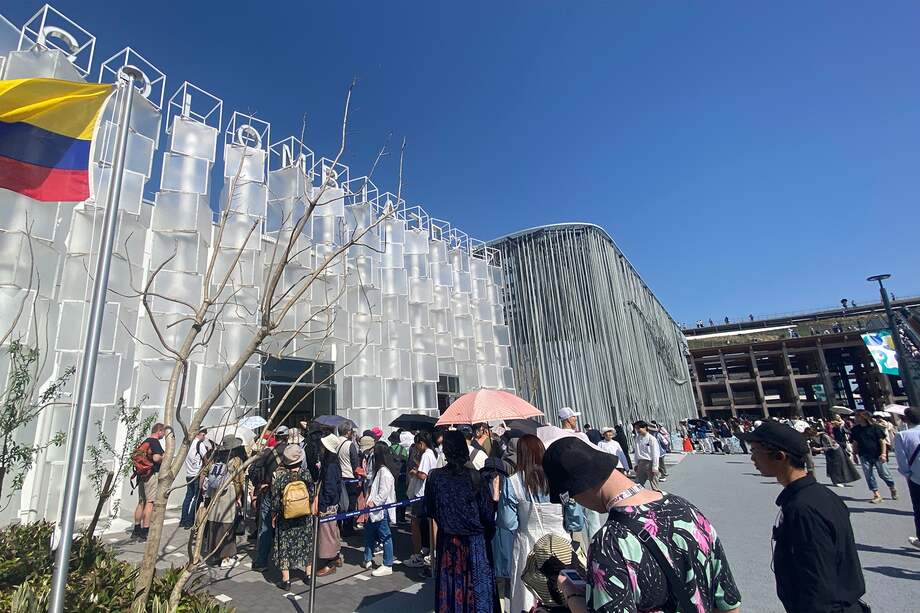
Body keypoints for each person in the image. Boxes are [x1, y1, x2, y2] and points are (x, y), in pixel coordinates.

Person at [544, 436, 741, 613]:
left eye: (570, 496)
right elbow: (728, 602)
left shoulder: (610, 541)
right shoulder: (686, 509)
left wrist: (572, 595)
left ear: (578, 486)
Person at [742, 421, 868, 612]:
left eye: (756, 451)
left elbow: (816, 578)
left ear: (779, 456)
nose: (752, 458)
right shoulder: (822, 496)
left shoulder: (802, 509)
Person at [425, 430, 496, 613]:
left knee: (450, 587)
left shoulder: (434, 477)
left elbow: (431, 510)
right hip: (475, 540)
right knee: (477, 589)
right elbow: (487, 513)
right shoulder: (475, 477)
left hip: (449, 540)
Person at [497, 435, 565, 613]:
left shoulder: (513, 482)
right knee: (562, 591)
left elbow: (508, 522)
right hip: (561, 542)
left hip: (528, 541)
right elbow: (576, 520)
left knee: (527, 595)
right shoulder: (558, 478)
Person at [270, 444, 315, 590]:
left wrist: (275, 513)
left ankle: (286, 580)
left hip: (286, 518)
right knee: (306, 543)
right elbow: (312, 494)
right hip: (304, 516)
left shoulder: (281, 478)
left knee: (284, 546)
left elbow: (275, 501)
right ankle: (308, 575)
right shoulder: (306, 474)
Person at [203, 435, 245, 568]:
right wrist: (239, 496)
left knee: (214, 523)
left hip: (215, 493)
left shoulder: (214, 458)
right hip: (229, 493)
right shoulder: (236, 460)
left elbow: (205, 473)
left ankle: (213, 554)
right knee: (227, 524)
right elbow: (239, 480)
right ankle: (226, 557)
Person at [251, 425, 289, 570]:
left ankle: (261, 561)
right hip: (288, 493)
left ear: (275, 437)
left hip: (269, 491)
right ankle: (287, 563)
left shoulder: (268, 452)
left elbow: (252, 469)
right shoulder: (294, 451)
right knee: (288, 526)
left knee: (265, 526)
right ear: (287, 437)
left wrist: (258, 485)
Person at [363, 442, 397, 576]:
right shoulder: (380, 471)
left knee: (385, 536)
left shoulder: (385, 472)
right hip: (376, 509)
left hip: (381, 509)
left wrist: (374, 502)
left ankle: (388, 563)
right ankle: (368, 558)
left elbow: (383, 493)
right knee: (369, 533)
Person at [850, 410, 898, 503]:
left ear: (863, 417)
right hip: (864, 455)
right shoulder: (855, 429)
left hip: (877, 454)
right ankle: (876, 494)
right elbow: (855, 443)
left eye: (857, 416)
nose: (855, 418)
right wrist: (854, 454)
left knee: (884, 474)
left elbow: (882, 442)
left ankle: (892, 487)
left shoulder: (875, 427)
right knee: (869, 475)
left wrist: (883, 454)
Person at [406, 431, 437, 568]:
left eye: (417, 445)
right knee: (426, 524)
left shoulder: (426, 454)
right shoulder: (432, 454)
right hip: (427, 493)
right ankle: (428, 550)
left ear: (421, 443)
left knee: (415, 524)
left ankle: (417, 555)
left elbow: (423, 475)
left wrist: (414, 472)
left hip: (421, 494)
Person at [132, 422, 166, 542]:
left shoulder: (145, 441)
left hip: (141, 475)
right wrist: (164, 458)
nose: (164, 434)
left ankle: (136, 529)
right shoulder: (155, 442)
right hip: (150, 475)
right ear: (159, 431)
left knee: (141, 502)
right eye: (163, 432)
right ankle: (145, 531)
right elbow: (156, 458)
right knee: (150, 502)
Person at [316, 433, 343, 576]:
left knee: (327, 533)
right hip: (332, 503)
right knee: (333, 531)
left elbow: (330, 488)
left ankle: (330, 563)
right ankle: (336, 557)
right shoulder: (331, 462)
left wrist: (323, 505)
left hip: (328, 505)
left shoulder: (331, 465)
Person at [893, 406, 920, 550]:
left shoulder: (902, 435)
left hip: (916, 477)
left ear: (905, 419)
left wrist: (907, 474)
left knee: (919, 509)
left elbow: (902, 460)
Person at [180, 428, 210, 529]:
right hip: (197, 474)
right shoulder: (199, 444)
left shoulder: (188, 444)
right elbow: (206, 460)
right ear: (200, 434)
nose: (204, 437)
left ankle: (183, 520)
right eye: (203, 435)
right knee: (196, 498)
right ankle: (189, 521)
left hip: (189, 474)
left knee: (188, 497)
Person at [337, 424, 361, 536]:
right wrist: (358, 477)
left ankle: (338, 527)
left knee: (339, 503)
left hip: (338, 477)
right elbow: (355, 463)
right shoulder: (349, 445)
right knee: (351, 503)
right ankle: (348, 527)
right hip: (349, 477)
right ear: (347, 432)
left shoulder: (335, 443)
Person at [632, 421, 661, 491]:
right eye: (636, 428)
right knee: (638, 483)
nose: (637, 430)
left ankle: (658, 496)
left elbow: (655, 453)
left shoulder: (651, 439)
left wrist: (655, 466)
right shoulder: (637, 438)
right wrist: (636, 464)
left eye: (639, 428)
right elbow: (636, 452)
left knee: (654, 483)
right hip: (641, 462)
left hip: (650, 462)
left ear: (645, 427)